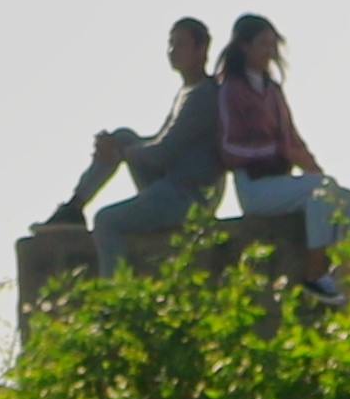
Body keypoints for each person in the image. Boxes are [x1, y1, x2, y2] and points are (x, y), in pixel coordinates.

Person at [43, 16, 228, 254]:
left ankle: (118, 288)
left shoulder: (203, 95)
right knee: (122, 136)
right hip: (171, 183)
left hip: (189, 196)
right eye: (171, 44)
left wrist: (120, 153)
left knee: (106, 221)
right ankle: (74, 208)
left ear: (202, 50)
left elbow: (162, 151)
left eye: (180, 44)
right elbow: (159, 143)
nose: (172, 51)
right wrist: (117, 147)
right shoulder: (186, 92)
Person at [217, 14, 350, 272]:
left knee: (345, 198)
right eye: (263, 44)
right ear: (244, 47)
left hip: (281, 183)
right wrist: (276, 151)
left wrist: (311, 165)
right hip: (254, 186)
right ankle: (315, 273)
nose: (270, 52)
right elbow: (228, 150)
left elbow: (292, 138)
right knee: (321, 190)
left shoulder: (273, 91)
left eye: (273, 45)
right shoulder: (231, 90)